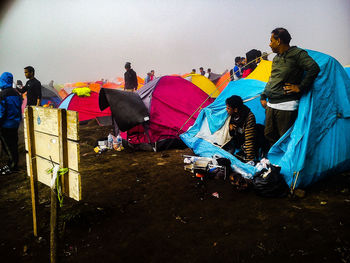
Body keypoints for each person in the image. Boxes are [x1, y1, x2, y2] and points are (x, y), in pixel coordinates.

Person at [260, 27, 320, 146]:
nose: (269, 44)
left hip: (286, 106)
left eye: (271, 41)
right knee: (269, 135)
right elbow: (272, 78)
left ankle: (285, 164)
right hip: (271, 104)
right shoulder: (276, 58)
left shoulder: (297, 54)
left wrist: (300, 87)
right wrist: (263, 95)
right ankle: (274, 163)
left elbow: (314, 68)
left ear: (279, 41)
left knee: (284, 140)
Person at [0, 72, 22, 175]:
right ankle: (10, 164)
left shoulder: (2, 94)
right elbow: (19, 107)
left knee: (8, 147)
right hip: (15, 123)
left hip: (5, 125)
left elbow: (1, 112)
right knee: (13, 144)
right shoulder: (16, 93)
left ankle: (13, 166)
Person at [223, 95, 256, 162]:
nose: (226, 109)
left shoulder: (249, 117)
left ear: (235, 109)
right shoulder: (230, 115)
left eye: (228, 108)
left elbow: (249, 139)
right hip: (235, 139)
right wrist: (229, 128)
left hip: (244, 140)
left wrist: (249, 160)